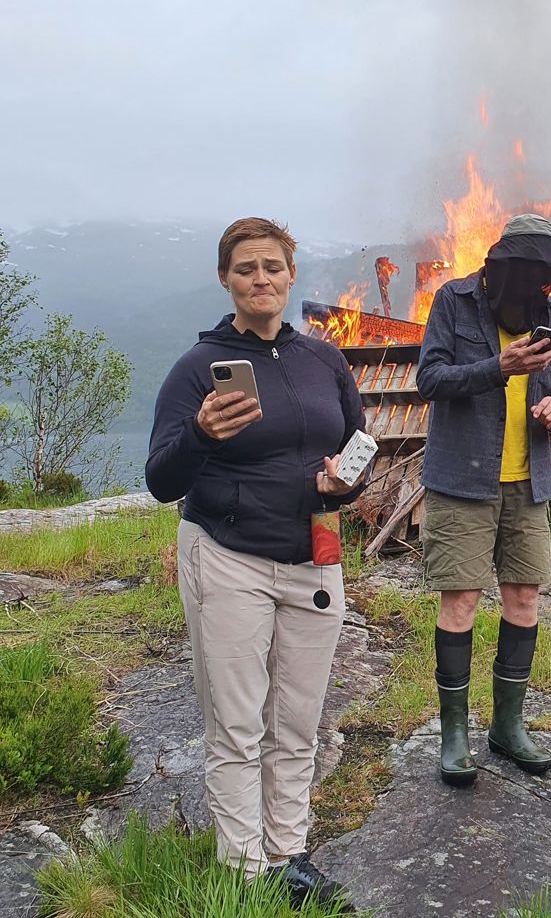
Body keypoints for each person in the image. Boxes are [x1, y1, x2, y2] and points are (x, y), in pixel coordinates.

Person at [146, 217, 364, 909]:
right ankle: (243, 874)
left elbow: (356, 445)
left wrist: (343, 484)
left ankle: (288, 857)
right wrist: (200, 432)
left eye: (273, 266)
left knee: (297, 722)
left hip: (315, 553)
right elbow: (160, 479)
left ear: (291, 275)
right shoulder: (197, 368)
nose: (261, 279)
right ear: (225, 279)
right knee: (237, 724)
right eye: (246, 268)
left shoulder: (323, 360)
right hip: (227, 556)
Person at [415, 212, 551, 787]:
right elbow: (429, 380)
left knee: (524, 598)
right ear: (498, 265)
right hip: (462, 480)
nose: (534, 288)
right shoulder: (453, 302)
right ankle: (455, 735)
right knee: (460, 600)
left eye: (543, 278)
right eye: (524, 274)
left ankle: (507, 727)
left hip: (527, 483)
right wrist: (497, 368)